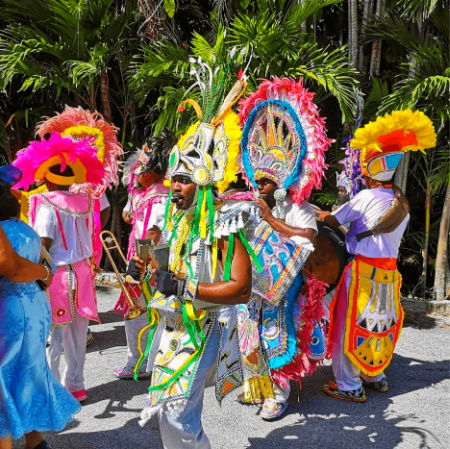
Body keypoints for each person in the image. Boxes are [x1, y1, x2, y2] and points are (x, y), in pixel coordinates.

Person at [135, 60, 255, 449]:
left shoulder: (225, 223)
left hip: (207, 328)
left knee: (179, 414)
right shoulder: (179, 221)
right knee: (168, 412)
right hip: (173, 328)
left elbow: (240, 289)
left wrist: (185, 286)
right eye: (173, 178)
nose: (174, 186)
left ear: (203, 181)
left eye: (184, 179)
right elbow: (168, 270)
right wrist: (149, 266)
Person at [321, 109, 436, 402]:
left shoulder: (364, 198)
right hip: (388, 275)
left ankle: (348, 384)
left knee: (348, 325)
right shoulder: (402, 205)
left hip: (361, 273)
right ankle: (375, 375)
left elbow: (332, 221)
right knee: (378, 325)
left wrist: (321, 212)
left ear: (370, 171)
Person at [236, 77, 332, 420]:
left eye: (266, 183)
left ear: (281, 183)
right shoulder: (251, 202)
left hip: (285, 288)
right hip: (253, 285)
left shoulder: (298, 207)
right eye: (257, 181)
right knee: (248, 333)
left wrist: (272, 221)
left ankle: (278, 392)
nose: (259, 186)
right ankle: (257, 386)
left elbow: (308, 236)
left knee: (277, 334)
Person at [13, 132, 107, 403]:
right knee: (78, 334)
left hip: (58, 276)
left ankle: (51, 390)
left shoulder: (46, 205)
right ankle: (76, 386)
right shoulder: (88, 201)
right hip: (83, 273)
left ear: (48, 177)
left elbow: (43, 244)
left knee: (53, 335)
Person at [0, 166, 80, 449]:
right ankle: (36, 440)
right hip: (34, 307)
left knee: (4, 376)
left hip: (7, 309)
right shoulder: (26, 229)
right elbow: (48, 264)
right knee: (30, 370)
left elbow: (13, 268)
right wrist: (45, 275)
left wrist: (41, 274)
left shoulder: (10, 229)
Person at [113, 130, 176, 379]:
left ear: (156, 172)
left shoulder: (161, 194)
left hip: (149, 260)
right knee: (145, 312)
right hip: (143, 257)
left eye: (142, 170)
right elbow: (133, 214)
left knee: (140, 311)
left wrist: (138, 262)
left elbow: (154, 233)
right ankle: (146, 360)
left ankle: (139, 362)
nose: (137, 174)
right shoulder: (148, 190)